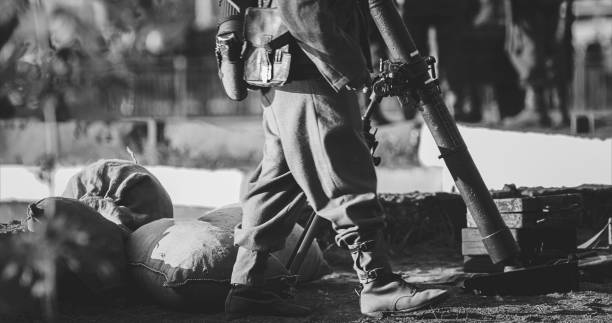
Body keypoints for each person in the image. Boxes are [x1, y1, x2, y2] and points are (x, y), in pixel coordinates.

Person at [216, 0, 449, 318]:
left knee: (277, 181)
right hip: (312, 67)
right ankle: (378, 284)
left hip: (284, 69)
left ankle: (248, 287)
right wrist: (355, 71)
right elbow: (301, 8)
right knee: (344, 173)